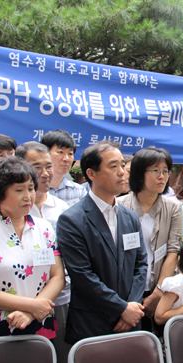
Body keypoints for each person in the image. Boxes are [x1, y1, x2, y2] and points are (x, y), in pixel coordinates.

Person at [0, 157, 65, 338]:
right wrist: (31, 305)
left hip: (39, 321)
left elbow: (57, 276)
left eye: (31, 188)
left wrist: (31, 312)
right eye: (19, 190)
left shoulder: (44, 228)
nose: (28, 196)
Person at [57, 141, 147, 344]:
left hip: (132, 320)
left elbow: (141, 265)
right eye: (113, 166)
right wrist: (121, 308)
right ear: (91, 174)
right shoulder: (72, 219)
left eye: (122, 166)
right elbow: (82, 275)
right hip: (92, 322)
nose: (122, 172)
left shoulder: (130, 217)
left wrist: (131, 305)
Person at [16, 141, 70, 363]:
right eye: (37, 167)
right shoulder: (1, 211)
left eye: (48, 166)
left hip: (60, 299)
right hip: (16, 301)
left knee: (60, 357)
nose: (45, 173)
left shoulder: (62, 208)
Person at [117, 147, 182, 333]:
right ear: (139, 174)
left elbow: (173, 251)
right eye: (155, 171)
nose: (162, 176)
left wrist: (159, 291)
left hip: (160, 288)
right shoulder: (120, 206)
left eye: (165, 171)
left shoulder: (173, 208)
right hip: (126, 293)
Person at [41, 130, 87, 206]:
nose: (66, 158)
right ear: (45, 153)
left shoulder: (79, 191)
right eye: (60, 152)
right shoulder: (34, 189)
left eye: (70, 154)